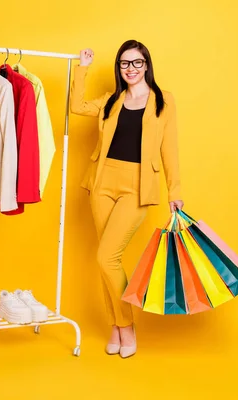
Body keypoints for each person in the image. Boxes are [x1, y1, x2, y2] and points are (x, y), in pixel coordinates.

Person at [70, 40, 184, 358]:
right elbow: (77, 106)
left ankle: (126, 325)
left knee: (107, 256)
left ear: (146, 65)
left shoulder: (163, 101)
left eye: (136, 63)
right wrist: (83, 67)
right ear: (119, 68)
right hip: (103, 183)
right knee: (107, 263)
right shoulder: (111, 101)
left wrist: (175, 190)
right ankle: (116, 327)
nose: (130, 69)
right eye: (124, 64)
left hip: (138, 185)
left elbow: (169, 148)